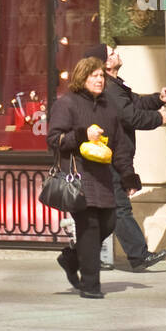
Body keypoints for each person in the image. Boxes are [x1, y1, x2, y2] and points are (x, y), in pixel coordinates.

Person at [47, 56, 138, 299]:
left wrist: (128, 176)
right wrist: (82, 134)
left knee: (108, 223)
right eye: (94, 76)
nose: (99, 80)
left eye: (101, 76)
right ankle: (90, 285)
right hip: (78, 177)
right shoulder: (67, 104)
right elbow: (54, 140)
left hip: (103, 178)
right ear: (82, 78)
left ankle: (72, 259)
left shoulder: (109, 107)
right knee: (89, 228)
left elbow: (119, 145)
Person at [81, 42, 166, 271]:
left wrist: (158, 100)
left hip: (112, 158)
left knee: (109, 210)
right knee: (119, 209)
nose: (117, 53)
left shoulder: (115, 86)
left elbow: (136, 102)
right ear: (106, 64)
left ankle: (90, 255)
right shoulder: (110, 89)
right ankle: (138, 255)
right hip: (108, 160)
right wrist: (160, 119)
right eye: (111, 53)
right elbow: (130, 116)